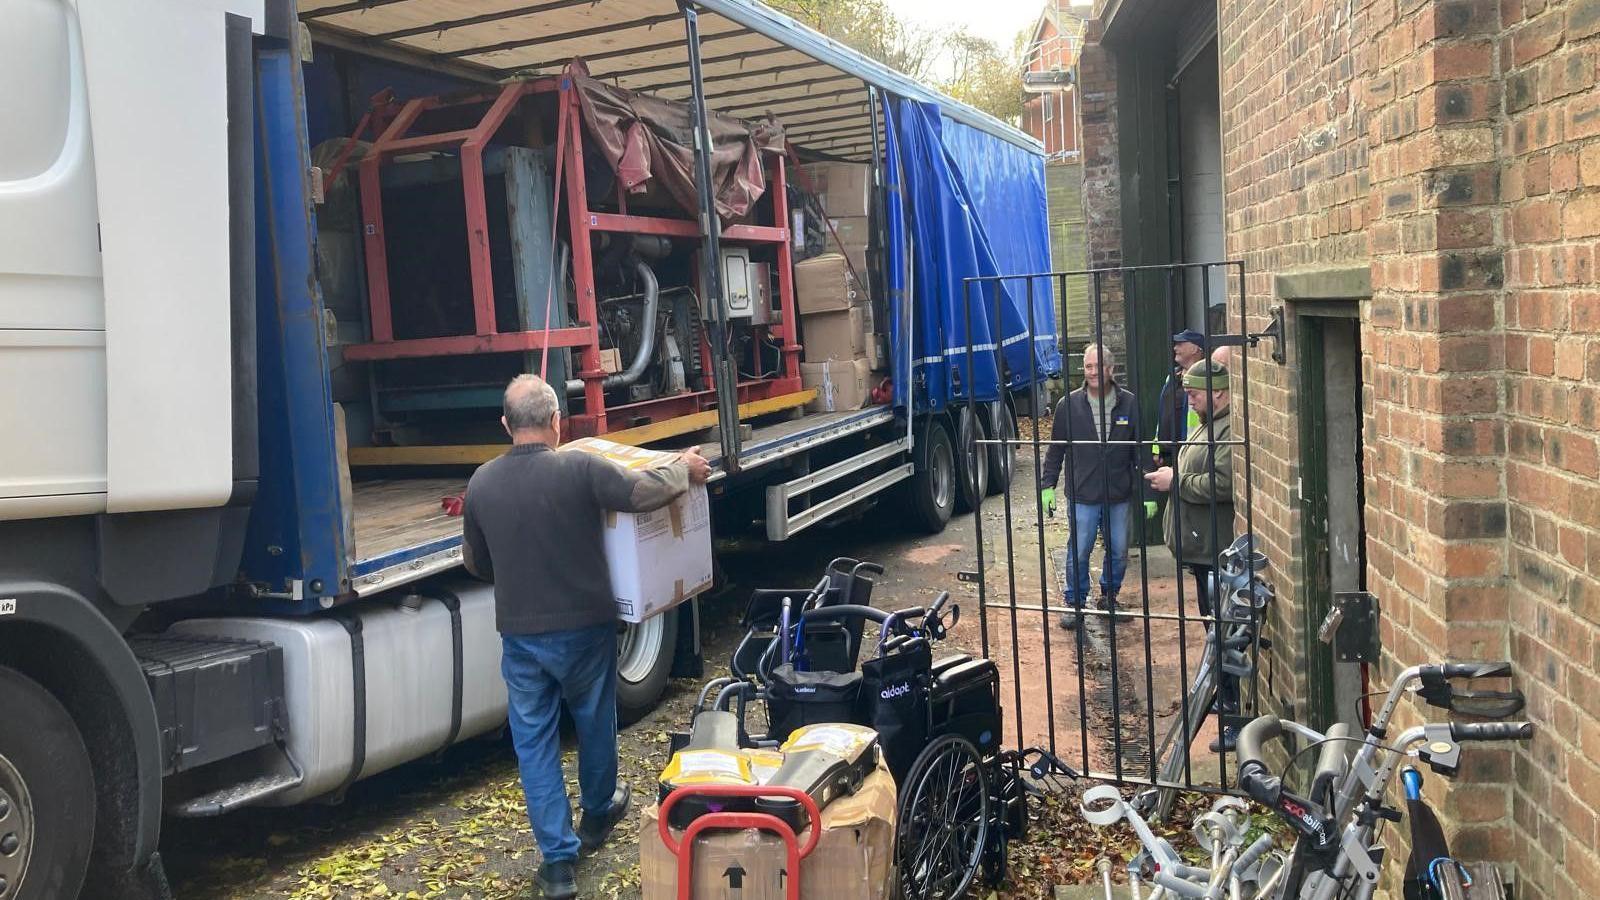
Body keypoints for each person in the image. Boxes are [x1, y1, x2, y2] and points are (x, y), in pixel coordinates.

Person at [462, 374, 711, 899]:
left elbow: (476, 563)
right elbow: (642, 492)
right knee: (596, 719)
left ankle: (557, 865)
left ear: (506, 425)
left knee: (534, 745)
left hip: (522, 639)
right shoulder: (578, 467)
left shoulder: (481, 483)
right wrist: (684, 468)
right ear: (557, 422)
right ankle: (598, 811)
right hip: (585, 631)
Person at [1144, 358, 1238, 751]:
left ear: (1217, 392)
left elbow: (1225, 483)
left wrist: (1175, 481)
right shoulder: (1207, 424)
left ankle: (1233, 717)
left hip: (1214, 552)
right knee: (1215, 632)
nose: (1190, 399)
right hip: (1200, 551)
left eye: (1195, 392)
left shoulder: (1228, 428)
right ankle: (1223, 702)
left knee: (1225, 635)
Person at [1041, 344, 1142, 631]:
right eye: (1088, 367)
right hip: (1083, 493)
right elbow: (1055, 450)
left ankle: (1109, 597)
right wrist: (1048, 485)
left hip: (1118, 492)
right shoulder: (1068, 405)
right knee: (1080, 549)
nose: (1093, 372)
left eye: (1099, 366)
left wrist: (1146, 493)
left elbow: (1140, 450)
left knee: (1119, 548)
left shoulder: (1129, 404)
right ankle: (1075, 601)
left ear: (1111, 369)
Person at [1154, 330, 1208, 469]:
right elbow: (1162, 415)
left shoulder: (1205, 380)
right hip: (1168, 454)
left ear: (1195, 348)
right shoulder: (1171, 377)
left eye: (1180, 344)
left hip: (1191, 453)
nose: (1175, 348)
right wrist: (1156, 449)